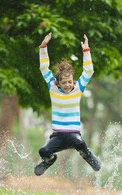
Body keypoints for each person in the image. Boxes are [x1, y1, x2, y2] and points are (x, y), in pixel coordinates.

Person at [34, 32, 101, 176]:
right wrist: (43, 47)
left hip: (73, 134)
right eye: (63, 82)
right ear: (57, 82)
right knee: (43, 151)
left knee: (79, 143)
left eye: (70, 82)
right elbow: (44, 68)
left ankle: (87, 155)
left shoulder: (78, 89)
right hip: (57, 136)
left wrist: (86, 51)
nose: (67, 85)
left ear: (73, 81)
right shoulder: (53, 88)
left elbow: (89, 71)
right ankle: (49, 160)